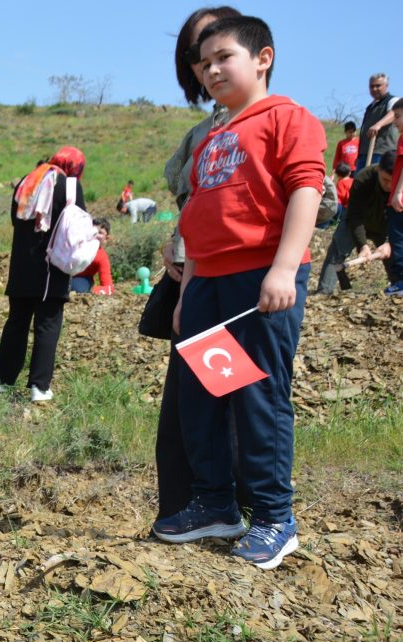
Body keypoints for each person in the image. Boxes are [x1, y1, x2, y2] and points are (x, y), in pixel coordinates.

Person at [154, 16, 326, 571]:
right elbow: (202, 216)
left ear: (263, 58)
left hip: (260, 279)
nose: (211, 70)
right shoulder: (215, 136)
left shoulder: (287, 118)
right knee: (206, 395)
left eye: (224, 57)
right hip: (208, 282)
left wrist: (283, 268)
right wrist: (188, 288)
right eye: (204, 64)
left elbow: (305, 188)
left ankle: (276, 517)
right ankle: (215, 503)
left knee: (259, 397)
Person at [155, 3, 242, 527]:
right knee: (191, 403)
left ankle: (237, 507)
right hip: (193, 282)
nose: (206, 65)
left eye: (216, 48)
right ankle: (189, 507)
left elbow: (316, 200)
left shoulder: (267, 118)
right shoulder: (201, 131)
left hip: (238, 281)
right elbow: (190, 198)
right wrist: (176, 242)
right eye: (194, 54)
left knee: (233, 398)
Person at [0, 146, 88, 404]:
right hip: (51, 268)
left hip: (21, 266)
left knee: (16, 323)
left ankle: (3, 381)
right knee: (47, 325)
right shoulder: (69, 186)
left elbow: (16, 222)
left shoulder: (27, 181)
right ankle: (39, 386)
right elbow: (78, 224)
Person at [315, 152, 396, 294]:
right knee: (337, 251)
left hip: (386, 223)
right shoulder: (363, 178)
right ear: (378, 170)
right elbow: (355, 217)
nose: (389, 186)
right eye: (385, 180)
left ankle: (397, 287)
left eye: (392, 181)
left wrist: (390, 242)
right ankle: (324, 292)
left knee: (396, 256)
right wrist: (362, 245)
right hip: (357, 219)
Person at [355, 73, 398, 171]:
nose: (374, 89)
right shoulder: (371, 106)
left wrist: (378, 124)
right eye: (371, 86)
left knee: (375, 181)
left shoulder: (392, 100)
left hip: (381, 152)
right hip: (364, 153)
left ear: (386, 86)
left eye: (378, 86)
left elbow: (393, 113)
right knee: (361, 182)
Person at [384, 102, 403, 295]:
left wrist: (398, 192)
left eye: (398, 116)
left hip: (399, 201)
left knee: (398, 239)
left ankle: (400, 281)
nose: (394, 121)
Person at [71, 218, 113, 294]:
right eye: (93, 231)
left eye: (100, 232)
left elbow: (108, 286)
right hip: (63, 275)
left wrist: (94, 291)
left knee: (77, 289)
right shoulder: (76, 243)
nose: (95, 235)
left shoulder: (101, 257)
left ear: (106, 238)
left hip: (81, 278)